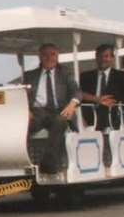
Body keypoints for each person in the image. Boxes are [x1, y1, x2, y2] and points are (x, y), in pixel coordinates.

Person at [20, 43, 80, 175]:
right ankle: (21, 161)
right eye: (45, 55)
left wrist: (72, 105)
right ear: (40, 57)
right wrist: (26, 110)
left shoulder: (65, 73)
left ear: (57, 56)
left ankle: (49, 164)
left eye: (53, 54)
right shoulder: (30, 75)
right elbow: (21, 95)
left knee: (59, 122)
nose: (49, 58)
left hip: (59, 110)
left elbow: (77, 92)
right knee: (21, 125)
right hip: (38, 112)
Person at [80, 44, 121, 131]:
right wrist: (96, 99)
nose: (102, 59)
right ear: (96, 58)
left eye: (106, 56)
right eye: (99, 56)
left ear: (112, 58)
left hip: (111, 113)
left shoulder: (121, 76)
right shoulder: (85, 76)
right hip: (88, 113)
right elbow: (77, 93)